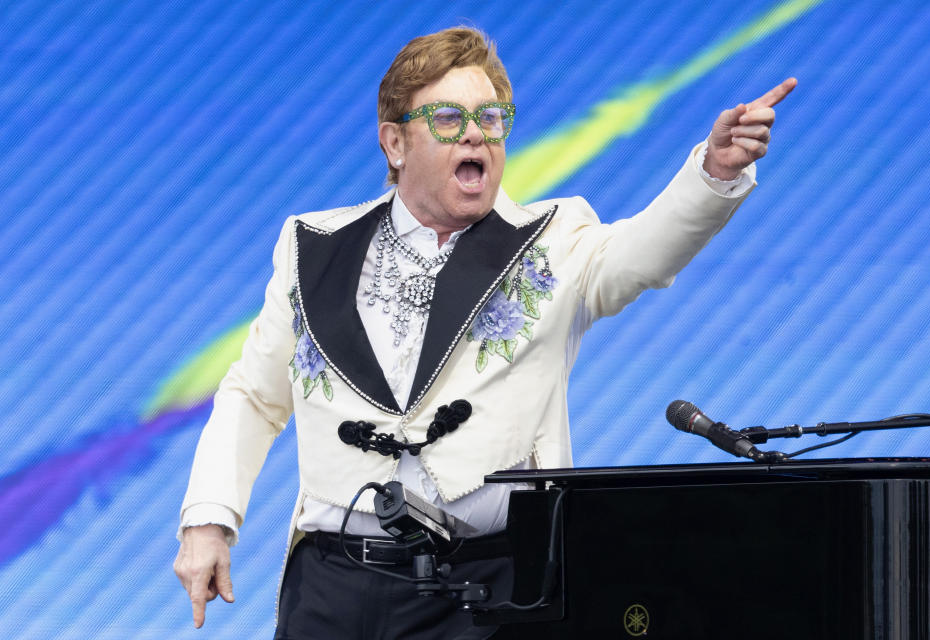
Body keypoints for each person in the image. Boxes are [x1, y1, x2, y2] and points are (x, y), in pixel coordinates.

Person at [173, 26, 795, 640]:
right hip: (333, 589)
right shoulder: (314, 248)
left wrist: (712, 174)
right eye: (448, 119)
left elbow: (644, 254)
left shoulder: (551, 242)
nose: (475, 133)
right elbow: (253, 396)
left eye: (492, 118)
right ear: (395, 144)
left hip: (487, 594)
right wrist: (208, 519)